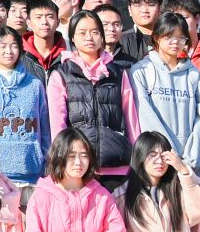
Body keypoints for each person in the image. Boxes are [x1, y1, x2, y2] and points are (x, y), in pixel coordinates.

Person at [46, 11, 136, 191]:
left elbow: (131, 119)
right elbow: (57, 125)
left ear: (102, 37)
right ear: (72, 37)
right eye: (82, 32)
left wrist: (137, 156)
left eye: (95, 32)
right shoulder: (61, 74)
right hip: (78, 166)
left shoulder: (118, 73)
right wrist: (63, 160)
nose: (89, 37)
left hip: (116, 165)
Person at [0, 28, 49, 195]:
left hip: (31, 173)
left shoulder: (34, 84)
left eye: (14, 46)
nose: (9, 51)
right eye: (2, 46)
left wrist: (45, 158)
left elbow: (45, 127)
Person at [129, 18, 200, 169]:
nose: (175, 42)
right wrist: (169, 155)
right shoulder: (141, 71)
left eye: (181, 37)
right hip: (157, 162)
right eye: (169, 36)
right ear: (156, 38)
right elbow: (145, 116)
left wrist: (190, 160)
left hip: (191, 165)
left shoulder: (195, 74)